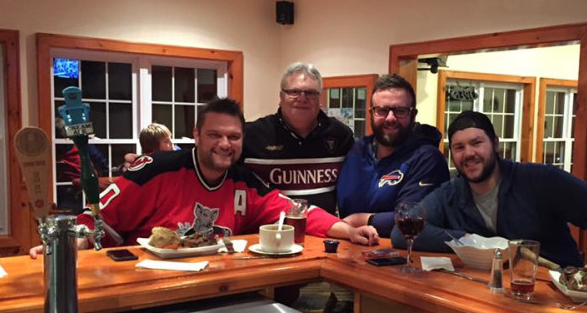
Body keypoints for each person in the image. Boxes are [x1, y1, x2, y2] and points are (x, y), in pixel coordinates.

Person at [30, 98, 378, 257]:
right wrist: (63, 245)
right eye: (215, 135)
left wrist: (347, 230)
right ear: (196, 134)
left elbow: (295, 209)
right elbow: (97, 216)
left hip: (220, 297)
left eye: (234, 137)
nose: (225, 144)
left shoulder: (245, 182)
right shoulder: (156, 169)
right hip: (148, 297)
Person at [392, 110, 587, 273]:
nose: (468, 154)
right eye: (459, 147)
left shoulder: (540, 180)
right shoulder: (450, 193)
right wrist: (471, 242)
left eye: (477, 143)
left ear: (495, 144)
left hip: (556, 300)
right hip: (492, 302)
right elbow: (401, 233)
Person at [337, 74, 449, 237]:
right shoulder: (357, 150)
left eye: (400, 111)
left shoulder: (428, 159)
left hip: (402, 256)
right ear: (371, 113)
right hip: (348, 253)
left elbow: (415, 218)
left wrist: (361, 219)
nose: (390, 118)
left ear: (413, 114)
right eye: (382, 110)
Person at [242, 63, 354, 214]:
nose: (302, 98)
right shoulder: (251, 135)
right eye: (294, 91)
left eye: (310, 93)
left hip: (325, 233)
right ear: (281, 97)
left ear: (319, 99)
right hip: (268, 231)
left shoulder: (341, 135)